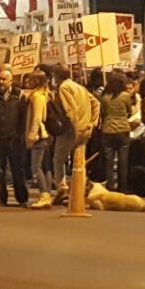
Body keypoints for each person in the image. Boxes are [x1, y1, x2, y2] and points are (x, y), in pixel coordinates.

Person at [51, 65, 99, 193]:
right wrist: (92, 123)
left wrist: (75, 128)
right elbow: (96, 103)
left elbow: (70, 110)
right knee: (79, 161)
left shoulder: (64, 88)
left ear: (57, 75)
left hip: (71, 130)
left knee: (58, 159)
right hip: (85, 128)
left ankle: (62, 188)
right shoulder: (79, 87)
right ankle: (80, 187)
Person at [0, 69, 28, 207]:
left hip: (14, 138)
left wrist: (22, 134)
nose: (1, 82)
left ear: (10, 80)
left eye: (4, 79)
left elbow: (25, 116)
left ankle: (22, 198)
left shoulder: (19, 95)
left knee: (17, 169)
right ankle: (1, 197)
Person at [98, 72, 135, 192]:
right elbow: (130, 111)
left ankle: (109, 186)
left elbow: (102, 113)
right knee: (123, 161)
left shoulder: (104, 97)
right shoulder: (125, 96)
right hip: (123, 129)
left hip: (107, 130)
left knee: (108, 161)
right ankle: (122, 187)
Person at [24, 70, 54, 209]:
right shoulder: (46, 94)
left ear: (36, 81)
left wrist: (31, 135)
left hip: (39, 135)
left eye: (30, 79)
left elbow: (37, 117)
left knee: (35, 167)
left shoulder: (37, 96)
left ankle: (44, 194)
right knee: (45, 166)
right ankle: (47, 194)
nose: (27, 82)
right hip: (46, 134)